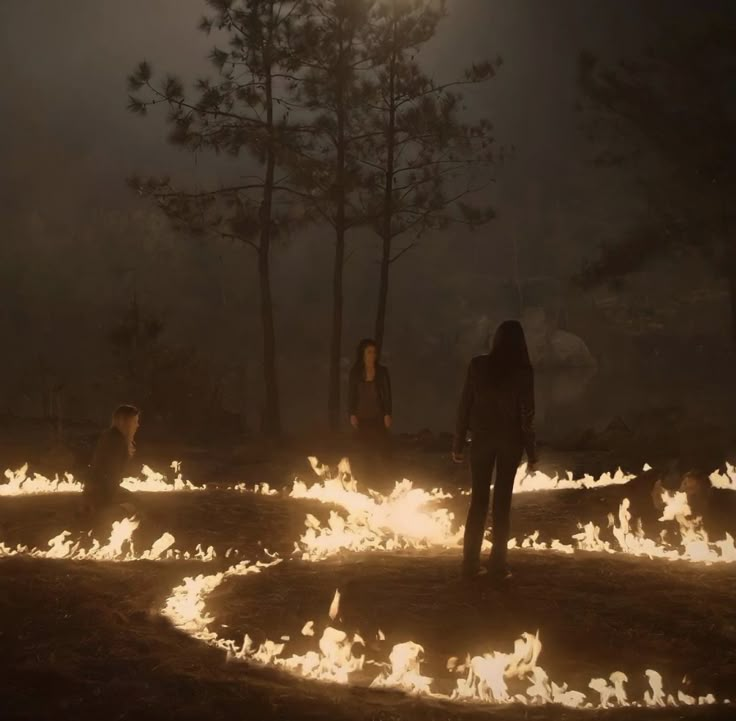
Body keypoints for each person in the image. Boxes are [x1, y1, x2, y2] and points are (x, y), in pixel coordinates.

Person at [452, 320, 537, 581]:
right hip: (510, 442)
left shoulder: (478, 365)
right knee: (501, 504)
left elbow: (465, 404)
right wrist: (532, 453)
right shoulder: (523, 371)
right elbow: (527, 416)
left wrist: (458, 442)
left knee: (478, 502)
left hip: (481, 441)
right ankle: (498, 565)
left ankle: (469, 564)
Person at [348, 339, 392, 481]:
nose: (372, 355)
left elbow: (387, 394)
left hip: (378, 416)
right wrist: (352, 413)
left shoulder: (382, 372)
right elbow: (351, 394)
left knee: (380, 448)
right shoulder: (355, 372)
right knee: (365, 450)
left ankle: (382, 478)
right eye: (369, 352)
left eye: (374, 352)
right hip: (362, 416)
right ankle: (367, 479)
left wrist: (387, 413)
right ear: (363, 354)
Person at [83, 404, 140, 516]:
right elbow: (109, 472)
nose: (137, 425)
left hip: (99, 490)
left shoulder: (113, 437)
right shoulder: (115, 440)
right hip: (102, 492)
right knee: (138, 504)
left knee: (135, 504)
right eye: (134, 421)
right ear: (126, 422)